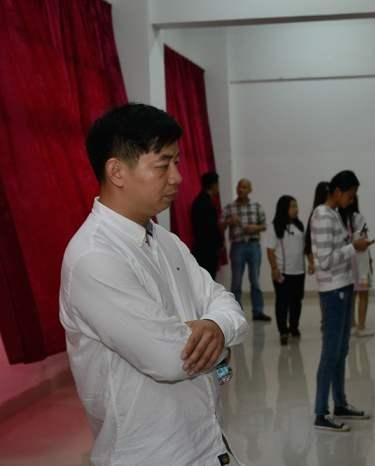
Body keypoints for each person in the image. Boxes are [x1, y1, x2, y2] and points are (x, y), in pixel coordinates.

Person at [59, 103, 248, 465]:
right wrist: (217, 338)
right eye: (163, 165)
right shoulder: (94, 257)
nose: (177, 177)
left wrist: (214, 325)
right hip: (149, 454)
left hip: (206, 443)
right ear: (117, 171)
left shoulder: (165, 240)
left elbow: (225, 302)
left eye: (177, 162)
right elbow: (170, 359)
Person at [311, 170, 373, 432]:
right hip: (333, 291)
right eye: (350, 194)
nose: (352, 199)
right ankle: (321, 412)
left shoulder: (334, 214)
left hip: (344, 286)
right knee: (330, 353)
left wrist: (354, 243)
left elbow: (338, 249)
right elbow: (324, 261)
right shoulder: (322, 216)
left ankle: (340, 403)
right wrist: (353, 248)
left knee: (342, 350)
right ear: (337, 191)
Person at [223, 179, 271, 322]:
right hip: (237, 246)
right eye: (239, 187)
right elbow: (220, 226)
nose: (241, 189)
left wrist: (254, 228)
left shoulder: (256, 206)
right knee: (236, 282)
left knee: (255, 280)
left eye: (244, 187)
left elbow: (264, 226)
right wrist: (228, 222)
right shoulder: (230, 207)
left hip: (253, 245)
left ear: (250, 190)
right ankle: (236, 312)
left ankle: (258, 311)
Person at [265, 195, 307, 346]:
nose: (296, 209)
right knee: (282, 302)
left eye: (296, 206)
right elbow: (270, 250)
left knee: (297, 301)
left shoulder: (299, 226)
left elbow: (304, 247)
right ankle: (283, 330)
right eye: (293, 206)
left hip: (299, 271)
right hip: (283, 272)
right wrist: (274, 269)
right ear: (284, 208)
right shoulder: (274, 227)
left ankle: (294, 327)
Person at [339, 196, 375, 337]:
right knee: (364, 294)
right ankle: (361, 327)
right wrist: (370, 260)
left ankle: (352, 325)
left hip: (348, 262)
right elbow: (364, 241)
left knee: (351, 295)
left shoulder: (339, 219)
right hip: (361, 263)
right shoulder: (359, 218)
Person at [190, 171, 223, 279]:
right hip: (207, 250)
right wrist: (219, 243)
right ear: (213, 185)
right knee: (208, 279)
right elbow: (210, 228)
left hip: (202, 247)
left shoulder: (199, 201)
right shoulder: (205, 203)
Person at [305, 181, 330, 276]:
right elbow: (308, 241)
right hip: (323, 265)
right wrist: (311, 262)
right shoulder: (317, 214)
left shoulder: (333, 213)